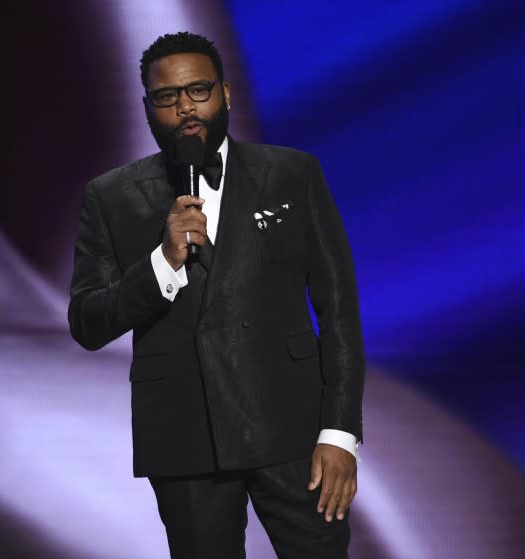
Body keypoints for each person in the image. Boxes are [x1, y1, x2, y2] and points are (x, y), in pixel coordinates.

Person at [69, 31, 365, 559]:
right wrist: (162, 262)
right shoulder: (110, 196)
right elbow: (87, 321)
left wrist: (340, 432)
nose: (185, 107)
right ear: (146, 107)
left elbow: (338, 309)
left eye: (199, 90)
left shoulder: (292, 174)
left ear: (226, 93)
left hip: (295, 433)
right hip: (184, 440)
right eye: (167, 97)